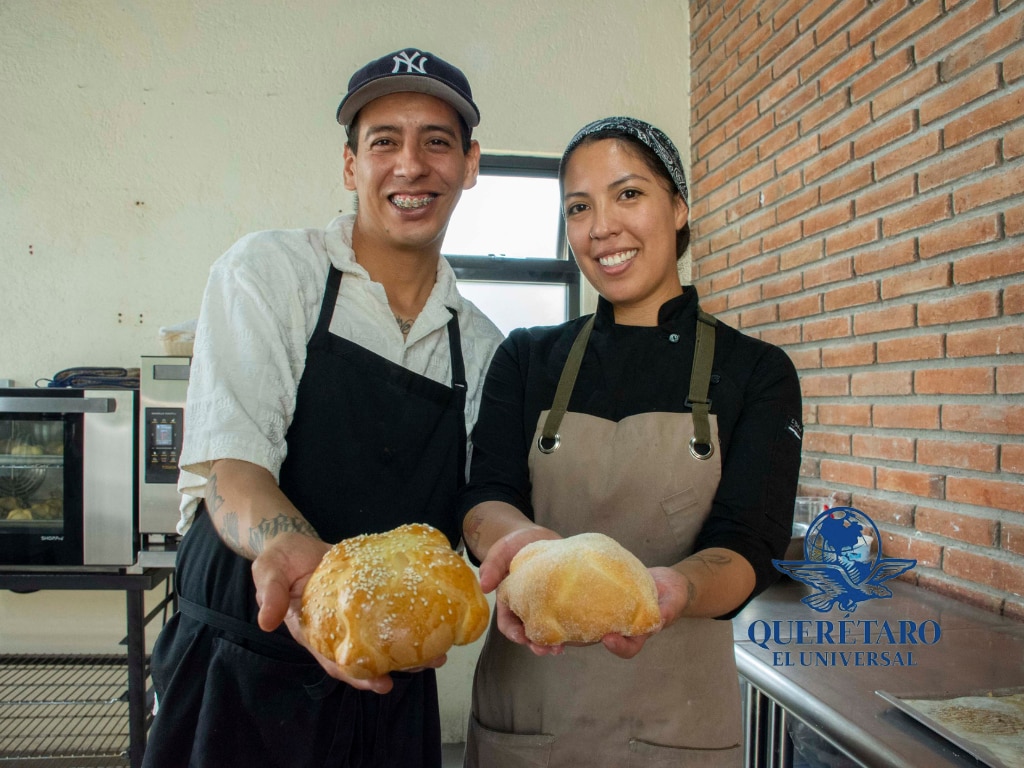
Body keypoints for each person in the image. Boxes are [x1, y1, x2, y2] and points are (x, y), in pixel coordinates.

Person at [142, 48, 503, 768]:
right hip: (240, 672)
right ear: (350, 166)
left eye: (437, 141)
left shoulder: (482, 345)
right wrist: (293, 558)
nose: (410, 165)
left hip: (386, 688)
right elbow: (231, 468)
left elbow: (474, 504)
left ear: (470, 164)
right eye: (383, 142)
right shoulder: (270, 274)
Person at [459, 117, 803, 767]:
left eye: (628, 195)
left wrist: (672, 591)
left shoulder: (756, 371)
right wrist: (521, 546)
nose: (602, 227)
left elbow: (748, 545)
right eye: (579, 207)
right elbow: (484, 496)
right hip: (528, 722)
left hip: (679, 729)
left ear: (677, 207)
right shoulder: (527, 358)